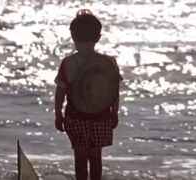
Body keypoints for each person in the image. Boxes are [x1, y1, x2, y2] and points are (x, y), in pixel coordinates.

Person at [54, 9, 121, 180]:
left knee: (81, 159)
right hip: (101, 115)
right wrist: (114, 112)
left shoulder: (68, 63)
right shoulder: (108, 63)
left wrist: (58, 115)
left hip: (75, 116)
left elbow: (60, 91)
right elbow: (113, 91)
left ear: (73, 37)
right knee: (96, 158)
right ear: (98, 37)